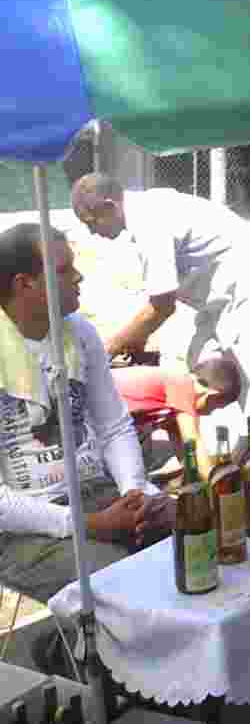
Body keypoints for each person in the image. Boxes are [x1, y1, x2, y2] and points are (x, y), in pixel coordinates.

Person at [0, 223, 175, 608]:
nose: (79, 277)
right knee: (123, 579)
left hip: (102, 495)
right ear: (24, 283)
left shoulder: (79, 333)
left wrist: (135, 491)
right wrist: (89, 525)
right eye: (64, 270)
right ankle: (67, 655)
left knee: (198, 528)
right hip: (25, 531)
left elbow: (113, 425)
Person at [70, 175, 250, 437]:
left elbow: (162, 305)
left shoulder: (148, 221)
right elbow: (160, 300)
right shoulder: (146, 209)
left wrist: (106, 350)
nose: (92, 232)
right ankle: (228, 448)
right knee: (200, 363)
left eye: (91, 222)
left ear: (109, 207)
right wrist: (136, 340)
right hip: (224, 298)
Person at [111, 356, 242, 480]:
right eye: (214, 408)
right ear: (212, 396)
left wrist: (191, 476)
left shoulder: (175, 402)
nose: (210, 413)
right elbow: (193, 443)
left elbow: (187, 454)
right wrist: (216, 485)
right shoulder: (183, 386)